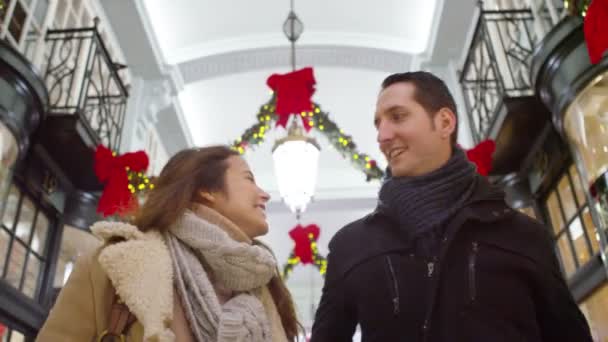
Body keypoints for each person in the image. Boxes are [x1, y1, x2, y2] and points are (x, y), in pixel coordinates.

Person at [310, 72, 592, 342]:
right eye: (378, 123)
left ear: (445, 122)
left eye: (397, 116)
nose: (382, 136)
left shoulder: (523, 236)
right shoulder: (351, 247)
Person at [37, 146, 299, 341]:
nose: (264, 194)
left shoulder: (264, 288)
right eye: (249, 179)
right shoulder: (115, 265)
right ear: (206, 191)